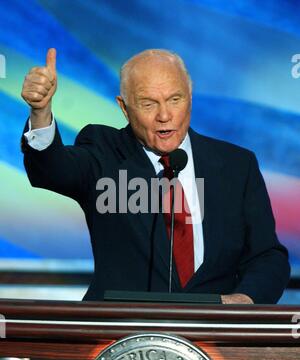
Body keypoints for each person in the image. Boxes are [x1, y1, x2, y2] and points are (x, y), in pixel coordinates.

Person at [21, 48, 290, 303]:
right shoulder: (104, 152)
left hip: (214, 336)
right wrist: (40, 111)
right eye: (149, 104)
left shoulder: (236, 165)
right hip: (123, 333)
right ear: (125, 108)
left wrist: (245, 299)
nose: (164, 115)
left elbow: (267, 256)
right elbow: (53, 169)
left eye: (175, 99)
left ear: (190, 97)